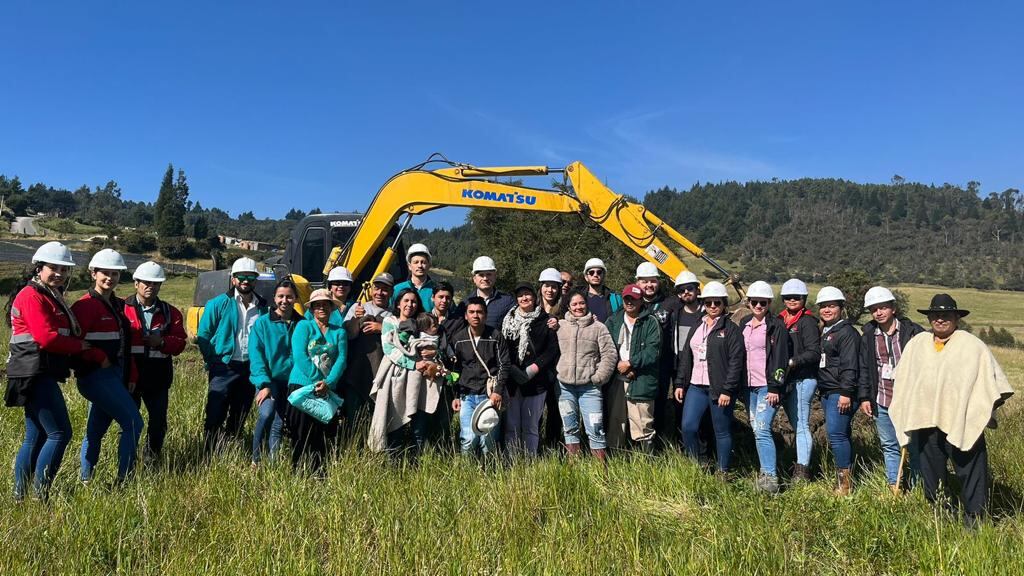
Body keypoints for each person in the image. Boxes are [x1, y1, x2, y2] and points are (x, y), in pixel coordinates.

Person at [890, 294, 1013, 528]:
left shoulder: (971, 345)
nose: (940, 319)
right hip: (925, 422)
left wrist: (981, 409)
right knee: (931, 475)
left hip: (963, 420)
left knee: (971, 474)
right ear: (929, 318)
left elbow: (992, 383)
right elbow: (904, 380)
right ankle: (942, 518)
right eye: (935, 315)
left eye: (946, 315)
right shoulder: (917, 345)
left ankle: (975, 522)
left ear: (957, 317)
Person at [6, 242, 86, 500]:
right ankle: (41, 496)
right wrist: (80, 346)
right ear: (39, 267)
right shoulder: (32, 296)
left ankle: (20, 497)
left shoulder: (47, 293)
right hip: (34, 371)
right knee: (60, 433)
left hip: (33, 371)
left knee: (36, 434)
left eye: (64, 269)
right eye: (54, 268)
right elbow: (47, 339)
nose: (60, 273)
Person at [72, 248, 144, 484]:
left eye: (115, 273)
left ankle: (86, 479)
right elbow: (74, 343)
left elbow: (126, 342)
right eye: (105, 272)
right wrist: (98, 357)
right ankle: (124, 481)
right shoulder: (84, 306)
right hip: (96, 375)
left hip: (116, 374)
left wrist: (130, 372)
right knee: (133, 422)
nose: (110, 278)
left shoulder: (117, 304)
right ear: (93, 273)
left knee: (96, 429)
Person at [857, 286, 925, 494]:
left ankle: (916, 487)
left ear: (893, 308)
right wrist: (865, 397)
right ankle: (893, 485)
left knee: (913, 447)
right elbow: (865, 368)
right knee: (889, 445)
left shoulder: (913, 332)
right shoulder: (868, 335)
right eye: (874, 309)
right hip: (882, 398)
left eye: (883, 308)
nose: (878, 312)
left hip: (909, 400)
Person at [196, 257, 267, 453]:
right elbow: (203, 335)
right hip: (224, 367)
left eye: (250, 277)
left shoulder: (262, 306)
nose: (246, 280)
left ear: (255, 280)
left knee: (241, 411)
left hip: (249, 368)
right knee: (216, 411)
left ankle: (229, 446)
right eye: (241, 276)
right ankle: (209, 451)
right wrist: (213, 360)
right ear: (233, 279)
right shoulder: (218, 304)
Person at [674, 281, 745, 477]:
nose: (712, 306)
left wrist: (728, 390)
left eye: (717, 302)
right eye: (708, 302)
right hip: (696, 386)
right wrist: (680, 382)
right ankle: (696, 465)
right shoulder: (698, 325)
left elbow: (736, 362)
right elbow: (686, 356)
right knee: (688, 427)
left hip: (719, 388)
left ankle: (722, 471)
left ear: (724, 304)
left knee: (721, 431)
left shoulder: (731, 329)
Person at [123, 261, 187, 463]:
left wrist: (161, 342)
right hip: (130, 376)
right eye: (146, 282)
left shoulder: (171, 313)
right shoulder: (122, 309)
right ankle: (128, 459)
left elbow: (179, 343)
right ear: (136, 283)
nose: (150, 286)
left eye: (155, 283)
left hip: (158, 378)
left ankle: (151, 458)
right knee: (130, 422)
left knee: (158, 422)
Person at [368, 289, 440, 454]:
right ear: (398, 303)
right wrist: (414, 364)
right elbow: (390, 349)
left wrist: (434, 353)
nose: (410, 304)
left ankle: (416, 465)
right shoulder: (389, 321)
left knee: (418, 425)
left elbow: (435, 343)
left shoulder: (422, 321)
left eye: (413, 301)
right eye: (406, 301)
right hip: (396, 378)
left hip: (419, 382)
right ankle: (393, 464)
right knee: (395, 421)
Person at [738, 281, 790, 493]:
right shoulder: (744, 324)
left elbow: (780, 358)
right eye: (754, 302)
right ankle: (764, 472)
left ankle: (770, 477)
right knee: (756, 428)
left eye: (763, 302)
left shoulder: (776, 326)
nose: (758, 305)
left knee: (761, 428)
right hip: (748, 386)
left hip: (766, 387)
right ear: (748, 302)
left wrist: (775, 387)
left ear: (769, 303)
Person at [288, 289, 347, 472]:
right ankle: (297, 470)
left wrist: (328, 383)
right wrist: (317, 381)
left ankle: (319, 470)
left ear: (331, 307)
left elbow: (341, 359)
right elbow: (300, 355)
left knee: (321, 431)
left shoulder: (339, 333)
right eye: (317, 305)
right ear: (312, 309)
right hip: (302, 386)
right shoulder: (304, 326)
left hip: (326, 388)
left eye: (326, 304)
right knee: (299, 431)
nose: (322, 308)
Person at [555, 291, 617, 463]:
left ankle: (600, 471)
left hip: (590, 388)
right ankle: (573, 466)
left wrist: (598, 377)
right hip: (565, 388)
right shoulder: (560, 326)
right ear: (568, 306)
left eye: (581, 303)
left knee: (596, 429)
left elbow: (610, 354)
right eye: (574, 304)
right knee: (570, 428)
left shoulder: (598, 327)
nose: (578, 307)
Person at [501, 283, 559, 456]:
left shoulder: (545, 319)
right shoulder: (508, 320)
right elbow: (504, 348)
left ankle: (529, 461)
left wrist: (535, 367)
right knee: (511, 426)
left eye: (528, 294)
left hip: (537, 382)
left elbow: (552, 349)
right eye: (520, 295)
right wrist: (510, 369)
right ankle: (512, 460)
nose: (524, 298)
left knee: (531, 426)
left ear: (534, 297)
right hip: (512, 381)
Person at [249, 278, 302, 465]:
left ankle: (273, 464)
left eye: (289, 297)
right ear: (274, 298)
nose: (284, 301)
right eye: (280, 296)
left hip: (291, 382)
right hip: (269, 380)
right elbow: (256, 355)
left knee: (279, 424)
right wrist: (263, 384)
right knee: (266, 414)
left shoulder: (302, 324)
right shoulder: (263, 323)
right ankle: (255, 459)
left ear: (295, 299)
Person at [605, 283, 662, 454]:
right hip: (617, 379)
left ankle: (646, 465)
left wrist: (630, 363)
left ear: (641, 301)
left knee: (643, 423)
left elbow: (654, 350)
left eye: (634, 299)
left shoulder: (650, 321)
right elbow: (606, 347)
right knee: (616, 422)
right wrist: (618, 366)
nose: (630, 303)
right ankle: (615, 460)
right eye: (627, 299)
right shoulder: (614, 320)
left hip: (642, 380)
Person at [449, 297, 510, 457]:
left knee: (488, 441)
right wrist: (455, 396)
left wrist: (498, 391)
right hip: (466, 396)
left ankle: (489, 474)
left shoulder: (495, 336)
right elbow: (455, 370)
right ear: (466, 315)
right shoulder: (458, 339)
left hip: (489, 396)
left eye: (480, 312)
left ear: (486, 314)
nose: (476, 315)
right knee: (468, 439)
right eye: (472, 312)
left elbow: (504, 365)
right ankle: (466, 475)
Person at [815, 286, 861, 495]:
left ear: (841, 308)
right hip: (827, 390)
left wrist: (846, 393)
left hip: (839, 391)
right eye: (823, 306)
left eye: (831, 306)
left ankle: (845, 484)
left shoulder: (847, 333)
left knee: (836, 435)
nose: (827, 310)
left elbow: (850, 365)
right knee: (842, 434)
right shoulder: (827, 331)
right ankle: (846, 477)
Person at [778, 278, 820, 482]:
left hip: (803, 379)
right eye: (788, 297)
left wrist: (793, 361)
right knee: (797, 423)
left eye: (797, 297)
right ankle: (799, 462)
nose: (792, 300)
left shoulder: (807, 322)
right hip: (787, 380)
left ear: (803, 299)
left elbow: (814, 352)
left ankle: (802, 469)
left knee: (801, 423)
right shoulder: (781, 319)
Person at [341, 273, 394, 435]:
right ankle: (350, 450)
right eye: (377, 288)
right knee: (352, 417)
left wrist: (381, 327)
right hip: (355, 372)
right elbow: (347, 334)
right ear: (371, 290)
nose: (380, 293)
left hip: (379, 375)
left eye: (385, 290)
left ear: (391, 293)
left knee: (374, 418)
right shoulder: (358, 308)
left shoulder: (393, 315)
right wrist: (358, 320)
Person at [661, 270, 704, 449]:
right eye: (681, 290)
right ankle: (683, 446)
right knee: (680, 407)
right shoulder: (675, 312)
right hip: (679, 366)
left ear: (697, 289)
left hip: (700, 367)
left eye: (689, 288)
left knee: (701, 411)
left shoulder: (705, 312)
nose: (686, 292)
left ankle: (703, 448)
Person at [538, 268, 567, 447]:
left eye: (554, 287)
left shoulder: (564, 310)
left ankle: (553, 446)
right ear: (540, 287)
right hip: (538, 368)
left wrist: (560, 325)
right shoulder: (533, 308)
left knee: (556, 410)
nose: (550, 290)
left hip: (558, 367)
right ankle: (535, 445)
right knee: (537, 411)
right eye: (546, 286)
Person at [454, 256, 515, 330]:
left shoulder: (508, 302)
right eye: (481, 275)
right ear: (474, 279)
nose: (485, 278)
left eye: (489, 274)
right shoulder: (465, 304)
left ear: (495, 276)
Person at [391, 243, 437, 313]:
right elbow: (389, 311)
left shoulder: (436, 290)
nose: (420, 266)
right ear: (409, 266)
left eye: (423, 262)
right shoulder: (397, 289)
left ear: (429, 265)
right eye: (416, 262)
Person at [581, 258, 622, 323]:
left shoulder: (616, 299)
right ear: (586, 277)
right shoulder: (579, 298)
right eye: (591, 272)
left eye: (599, 272)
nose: (595, 275)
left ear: (604, 275)